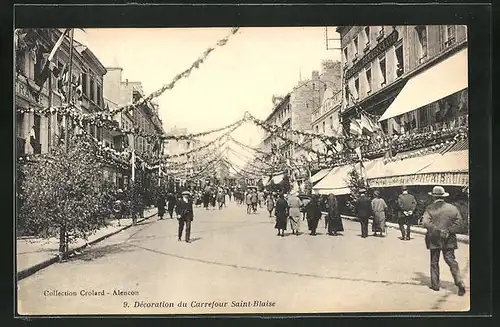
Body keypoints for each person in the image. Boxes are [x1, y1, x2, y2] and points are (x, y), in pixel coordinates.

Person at [422, 186, 466, 296]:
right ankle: (459, 281)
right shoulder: (452, 208)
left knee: (434, 261)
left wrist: (438, 230)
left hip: (434, 238)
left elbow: (426, 223)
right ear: (443, 196)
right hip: (449, 237)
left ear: (433, 196)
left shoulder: (430, 208)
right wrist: (448, 230)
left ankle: (435, 285)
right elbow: (459, 223)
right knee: (451, 260)